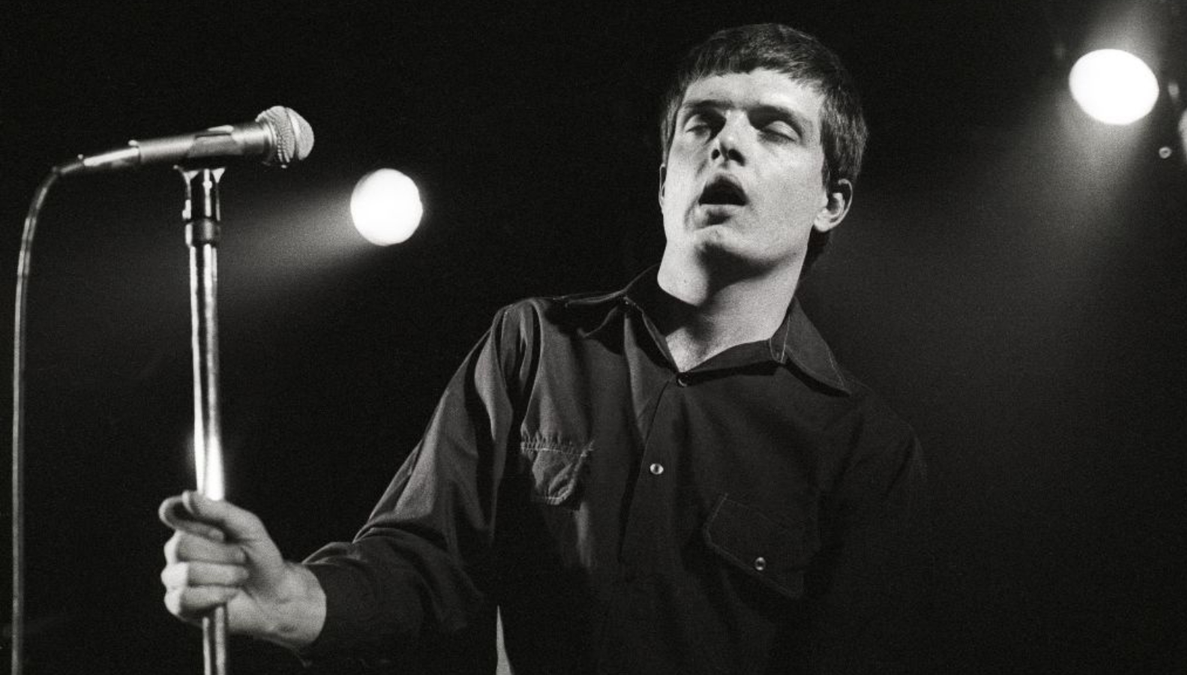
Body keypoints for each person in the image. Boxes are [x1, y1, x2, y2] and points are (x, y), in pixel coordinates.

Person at [160, 23, 927, 674]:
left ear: (832, 200)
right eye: (703, 121)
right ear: (665, 181)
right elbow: (423, 558)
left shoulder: (863, 447)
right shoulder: (534, 343)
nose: (728, 142)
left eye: (774, 126)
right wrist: (293, 597)